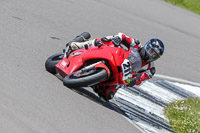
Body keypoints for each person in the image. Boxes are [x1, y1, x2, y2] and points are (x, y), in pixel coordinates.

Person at [67, 32, 164, 100]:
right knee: (107, 40)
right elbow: (123, 36)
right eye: (151, 51)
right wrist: (118, 39)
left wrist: (133, 81)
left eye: (155, 55)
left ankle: (95, 81)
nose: (151, 55)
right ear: (147, 46)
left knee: (108, 96)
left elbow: (141, 78)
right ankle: (81, 45)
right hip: (117, 58)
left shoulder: (150, 69)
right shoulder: (136, 44)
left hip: (123, 75)